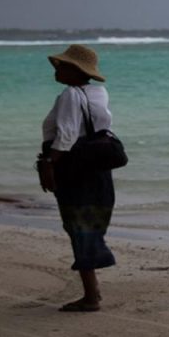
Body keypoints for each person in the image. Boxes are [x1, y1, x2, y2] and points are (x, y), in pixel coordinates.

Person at [37, 44, 116, 312]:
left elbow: (67, 134)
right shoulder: (98, 92)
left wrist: (49, 163)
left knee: (77, 226)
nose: (56, 69)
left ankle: (91, 296)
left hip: (72, 167)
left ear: (75, 70)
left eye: (62, 65)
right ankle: (92, 292)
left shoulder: (71, 94)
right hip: (96, 167)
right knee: (89, 225)